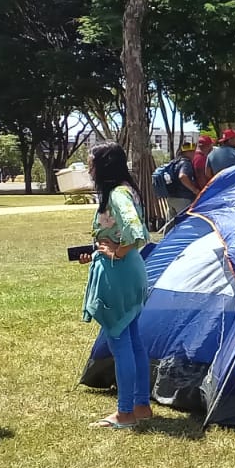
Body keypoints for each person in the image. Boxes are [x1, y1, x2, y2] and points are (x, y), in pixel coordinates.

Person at [80, 142, 152, 429]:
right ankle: (141, 405)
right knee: (133, 342)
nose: (89, 168)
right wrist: (98, 249)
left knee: (119, 342)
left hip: (120, 272)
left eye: (91, 163)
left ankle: (125, 413)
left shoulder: (117, 194)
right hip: (131, 270)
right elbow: (119, 232)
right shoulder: (127, 189)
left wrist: (115, 252)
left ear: (103, 165)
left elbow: (136, 232)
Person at [163, 142, 199, 218]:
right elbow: (182, 176)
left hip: (171, 197)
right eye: (193, 152)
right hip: (183, 198)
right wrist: (194, 190)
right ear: (188, 152)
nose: (194, 154)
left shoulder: (174, 162)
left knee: (170, 225)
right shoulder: (186, 163)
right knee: (184, 222)